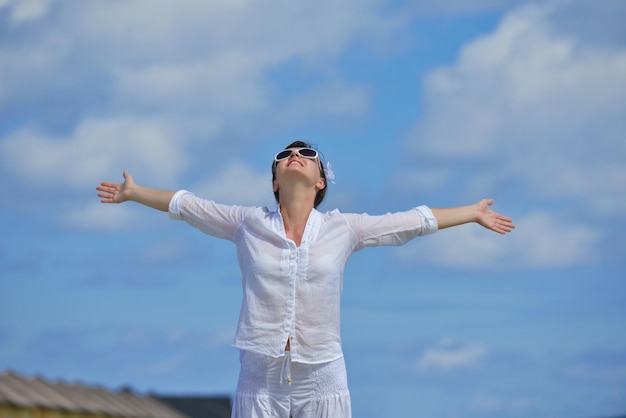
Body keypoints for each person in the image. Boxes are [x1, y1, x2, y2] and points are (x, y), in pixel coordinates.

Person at [96, 140, 515, 418]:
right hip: (259, 376)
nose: (294, 154)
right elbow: (187, 205)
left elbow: (411, 222)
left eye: (306, 152)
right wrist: (135, 192)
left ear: (320, 180)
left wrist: (472, 213)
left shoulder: (343, 228)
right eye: (284, 153)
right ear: (276, 181)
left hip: (323, 376)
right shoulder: (247, 223)